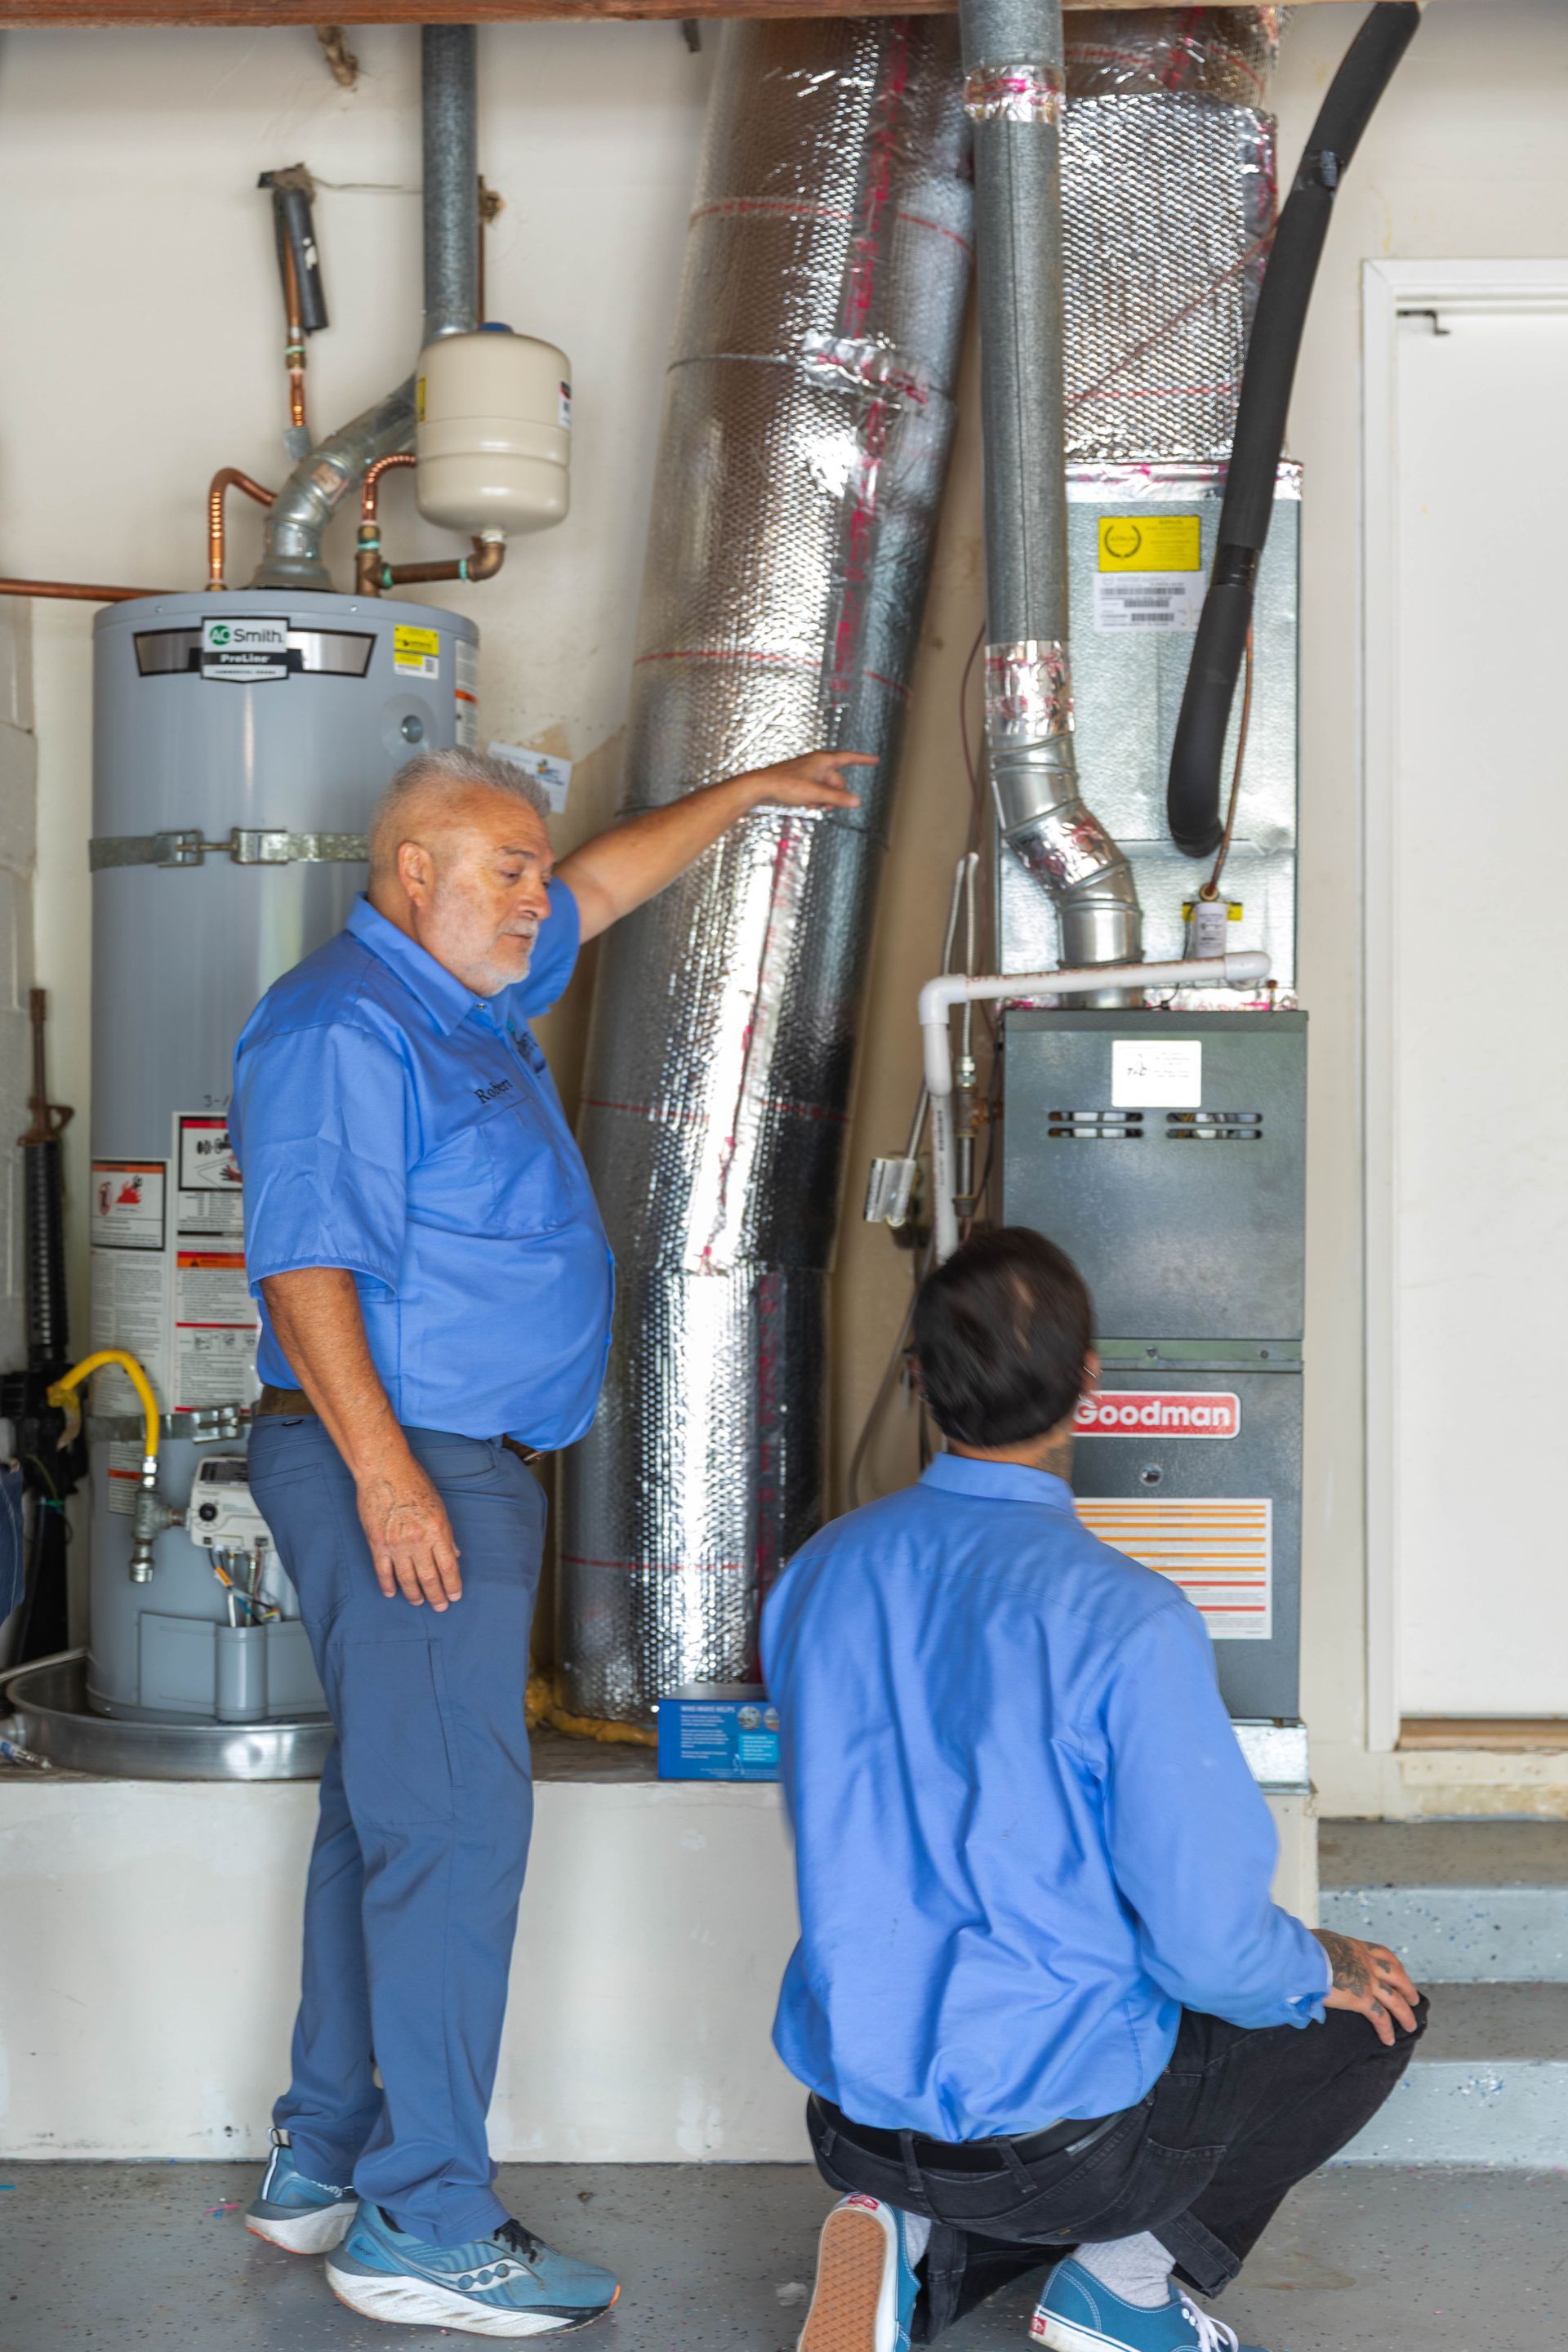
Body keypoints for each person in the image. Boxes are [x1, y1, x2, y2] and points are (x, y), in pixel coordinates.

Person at [230, 740, 869, 2338]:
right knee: (450, 1841)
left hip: (451, 1463)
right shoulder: (343, 1028)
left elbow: (601, 882)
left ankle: (325, 2162)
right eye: (503, 870)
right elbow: (305, 1275)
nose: (536, 893)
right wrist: (390, 1481)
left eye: (530, 870)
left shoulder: (466, 1000)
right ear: (410, 881)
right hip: (408, 1467)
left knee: (386, 1818)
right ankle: (426, 2221)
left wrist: (749, 792)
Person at [763, 1227, 1426, 2352]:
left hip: (854, 2114)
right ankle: (1119, 2291)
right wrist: (1325, 1961)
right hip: (1058, 2146)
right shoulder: (1128, 1617)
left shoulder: (821, 1575)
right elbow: (1207, 1949)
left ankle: (897, 2222)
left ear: (917, 1378)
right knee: (1363, 2022)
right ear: (1090, 1384)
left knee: (1023, 2057)